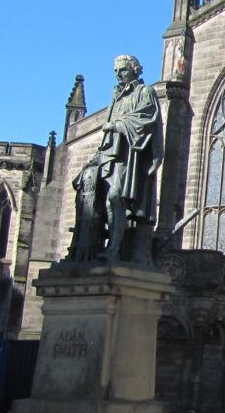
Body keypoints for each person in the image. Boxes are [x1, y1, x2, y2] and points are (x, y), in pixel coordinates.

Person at [69, 54, 164, 264]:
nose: (118, 74)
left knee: (115, 197)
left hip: (130, 159)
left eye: (122, 69)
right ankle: (90, 246)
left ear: (134, 69)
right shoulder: (117, 98)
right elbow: (105, 134)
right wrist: (95, 158)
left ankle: (114, 249)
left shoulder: (144, 92)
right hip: (110, 155)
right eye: (116, 71)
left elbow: (147, 120)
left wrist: (117, 124)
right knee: (95, 189)